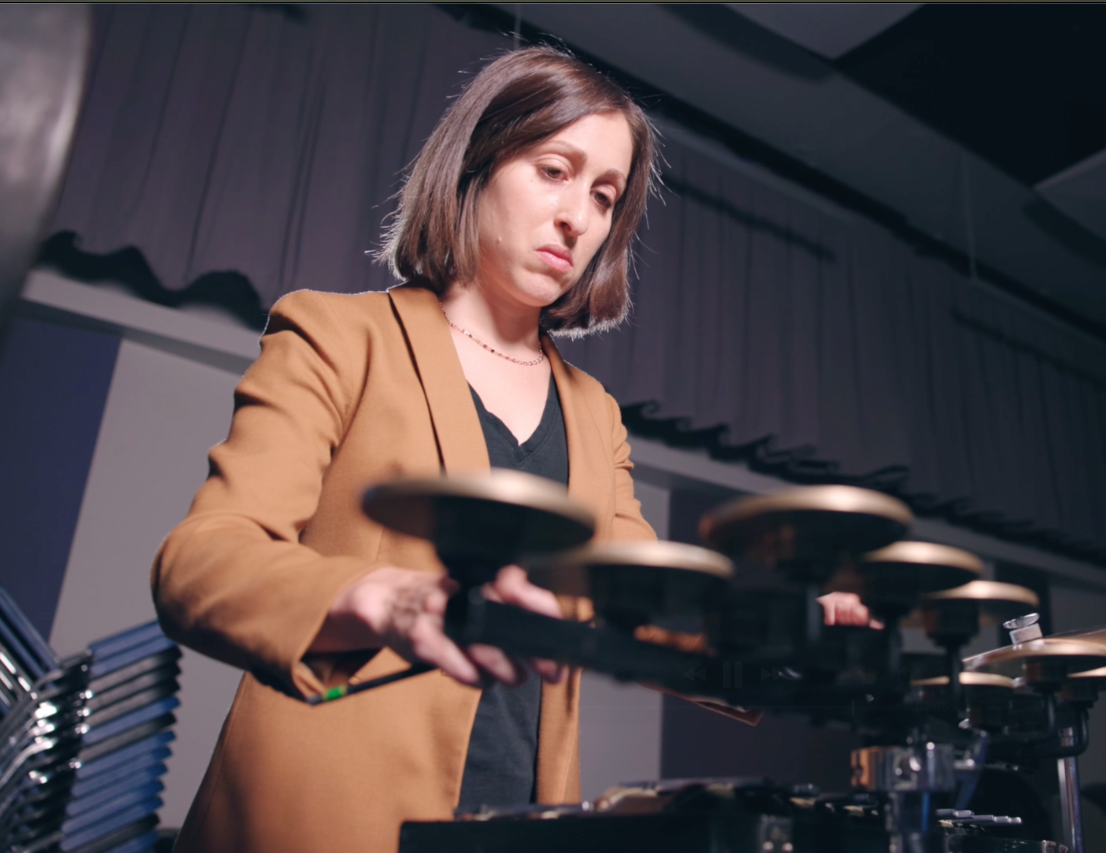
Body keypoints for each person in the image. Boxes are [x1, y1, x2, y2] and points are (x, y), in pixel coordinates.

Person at [151, 46, 871, 853]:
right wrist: (385, 599)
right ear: (478, 166)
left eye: (604, 195)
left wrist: (782, 630)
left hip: (517, 828)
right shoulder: (337, 335)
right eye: (554, 170)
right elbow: (203, 560)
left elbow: (643, 609)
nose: (579, 217)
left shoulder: (595, 415)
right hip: (319, 821)